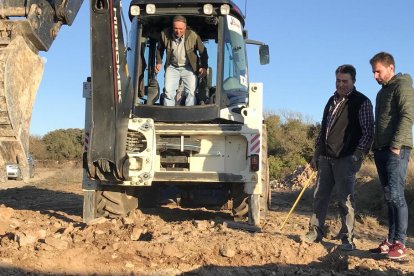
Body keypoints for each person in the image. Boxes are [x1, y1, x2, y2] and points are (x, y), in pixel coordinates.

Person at [302, 64, 374, 251]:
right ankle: (315, 231)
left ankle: (347, 238)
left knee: (346, 200)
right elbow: (324, 129)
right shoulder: (331, 101)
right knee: (320, 196)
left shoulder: (362, 102)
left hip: (346, 158)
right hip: (326, 158)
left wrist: (358, 155)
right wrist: (317, 152)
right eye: (338, 80)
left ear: (353, 82)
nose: (341, 84)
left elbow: (368, 132)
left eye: (345, 81)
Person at [369, 52, 414, 259]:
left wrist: (395, 145)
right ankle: (390, 239)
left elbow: (408, 115)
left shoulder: (402, 85)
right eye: (373, 72)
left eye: (378, 71)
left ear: (391, 68)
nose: (375, 76)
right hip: (381, 149)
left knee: (396, 195)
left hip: (396, 149)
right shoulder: (381, 93)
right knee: (388, 196)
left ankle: (400, 243)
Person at [155, 15, 208, 106]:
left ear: (185, 27)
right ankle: (169, 115)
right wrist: (159, 62)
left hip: (188, 67)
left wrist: (204, 67)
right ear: (172, 27)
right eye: (175, 28)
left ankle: (189, 115)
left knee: (191, 92)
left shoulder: (192, 35)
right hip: (172, 67)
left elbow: (203, 52)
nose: (178, 31)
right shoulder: (164, 34)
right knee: (168, 91)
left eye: (181, 29)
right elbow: (159, 49)